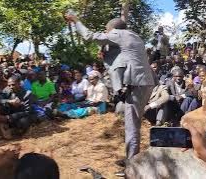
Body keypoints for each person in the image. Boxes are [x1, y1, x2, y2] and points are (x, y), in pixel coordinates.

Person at [65, 15, 155, 175]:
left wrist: (76, 20)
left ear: (112, 28)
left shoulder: (118, 33)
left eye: (107, 31)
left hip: (137, 83)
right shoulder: (134, 36)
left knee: (131, 125)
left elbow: (90, 36)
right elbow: (121, 56)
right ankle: (131, 157)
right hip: (143, 82)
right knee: (132, 123)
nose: (106, 34)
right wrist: (105, 53)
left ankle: (132, 166)